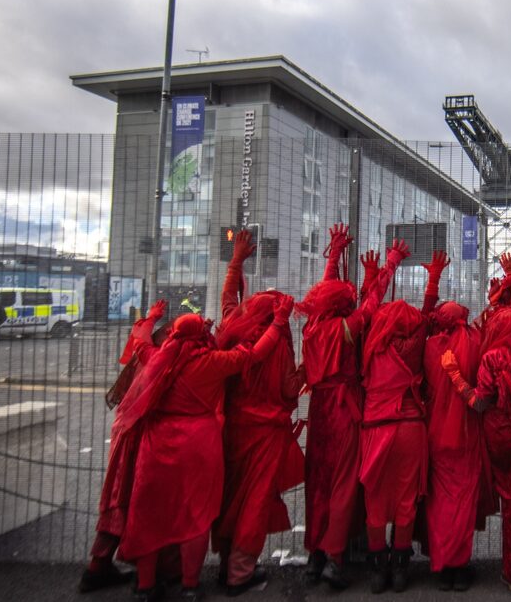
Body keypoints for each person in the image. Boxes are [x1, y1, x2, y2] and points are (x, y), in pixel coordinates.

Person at [116, 301, 293, 602]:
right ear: (200, 337)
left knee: (149, 515)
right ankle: (189, 585)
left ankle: (146, 585)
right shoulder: (210, 364)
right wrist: (277, 324)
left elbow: (140, 340)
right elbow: (253, 354)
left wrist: (151, 319)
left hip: (155, 445)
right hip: (197, 444)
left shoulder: (157, 358)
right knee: (195, 518)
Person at [295, 225, 405, 589]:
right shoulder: (345, 328)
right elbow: (373, 302)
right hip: (344, 414)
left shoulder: (313, 327)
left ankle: (314, 556)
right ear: (340, 306)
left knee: (318, 485)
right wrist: (389, 265)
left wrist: (335, 256)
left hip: (319, 412)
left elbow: (322, 296)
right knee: (342, 486)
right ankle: (335, 559)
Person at [441, 253, 511, 594]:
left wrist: (456, 376)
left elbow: (480, 402)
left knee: (499, 499)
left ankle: (497, 562)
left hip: (497, 436)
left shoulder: (489, 356)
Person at [211, 230, 305, 595]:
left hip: (233, 430)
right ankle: (239, 574)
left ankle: (224, 566)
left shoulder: (234, 330)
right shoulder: (277, 347)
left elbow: (227, 298)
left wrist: (236, 261)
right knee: (253, 502)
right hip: (265, 434)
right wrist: (309, 367)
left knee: (230, 497)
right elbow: (287, 389)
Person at [359, 248, 446, 594]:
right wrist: (433, 276)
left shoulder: (371, 343)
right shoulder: (414, 343)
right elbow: (426, 311)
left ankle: (378, 568)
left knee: (375, 502)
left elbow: (370, 302)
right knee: (407, 500)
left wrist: (380, 270)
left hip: (376, 428)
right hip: (410, 427)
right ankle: (400, 568)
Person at [78, 300, 168, 594]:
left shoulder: (145, 356)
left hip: (125, 431)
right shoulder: (161, 361)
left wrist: (151, 318)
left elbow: (139, 337)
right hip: (138, 440)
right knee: (133, 503)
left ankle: (99, 565)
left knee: (117, 502)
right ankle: (144, 576)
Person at [422, 285, 488, 589]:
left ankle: (441, 565)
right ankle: (460, 567)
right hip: (468, 434)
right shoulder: (477, 343)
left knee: (440, 502)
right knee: (463, 500)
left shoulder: (430, 347)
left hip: (436, 433)